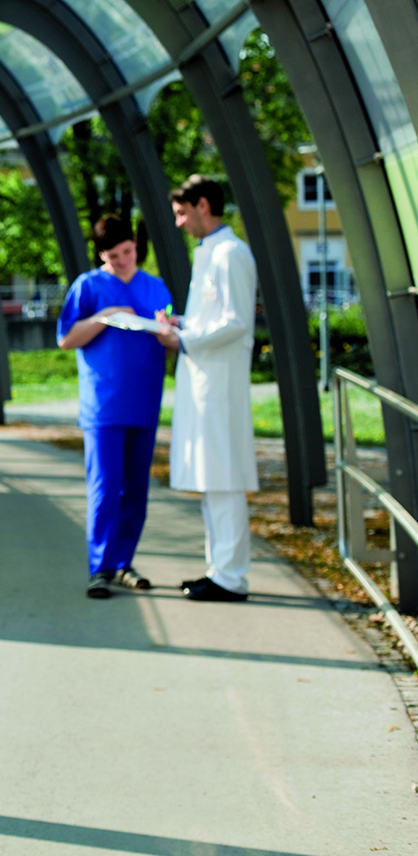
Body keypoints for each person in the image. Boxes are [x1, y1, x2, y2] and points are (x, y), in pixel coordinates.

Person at [57, 216, 174, 599]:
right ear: (101, 255)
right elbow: (67, 338)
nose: (123, 261)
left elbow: (169, 343)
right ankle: (100, 568)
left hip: (144, 401)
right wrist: (105, 317)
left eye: (127, 251)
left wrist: (169, 332)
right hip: (103, 406)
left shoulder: (156, 287)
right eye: (113, 255)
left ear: (136, 246)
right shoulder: (88, 286)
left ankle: (123, 563)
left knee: (136, 490)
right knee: (105, 488)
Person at [157, 175, 258, 602]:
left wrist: (183, 338)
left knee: (224, 479)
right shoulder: (211, 252)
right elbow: (212, 318)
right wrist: (183, 324)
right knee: (211, 479)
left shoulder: (231, 253)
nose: (179, 223)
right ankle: (218, 569)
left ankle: (231, 577)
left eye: (182, 213)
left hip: (220, 385)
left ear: (202, 205)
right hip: (206, 382)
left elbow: (235, 322)